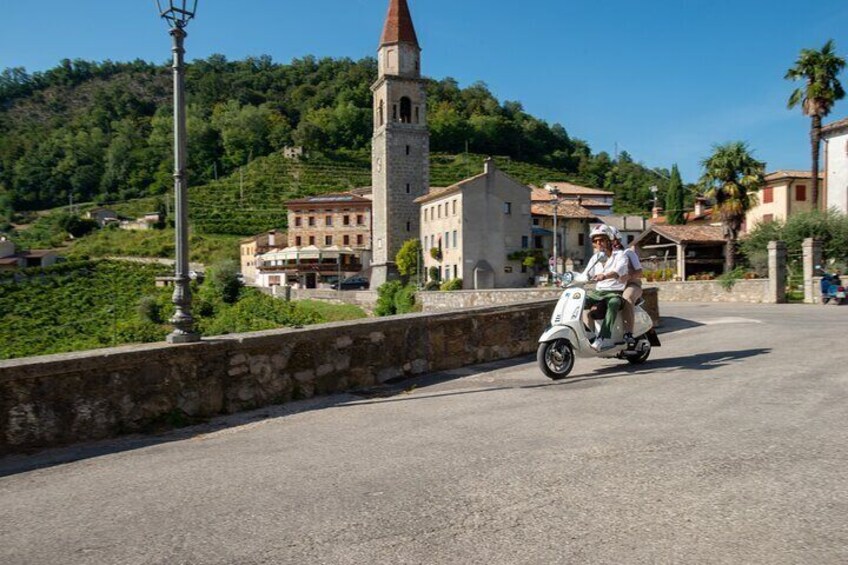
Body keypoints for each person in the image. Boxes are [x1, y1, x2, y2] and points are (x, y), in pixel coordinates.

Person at [581, 224, 628, 351]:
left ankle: (602, 338)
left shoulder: (620, 255)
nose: (598, 243)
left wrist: (605, 275)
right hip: (598, 292)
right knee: (579, 302)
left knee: (613, 303)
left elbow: (618, 271)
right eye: (595, 241)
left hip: (615, 292)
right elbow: (586, 274)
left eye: (601, 240)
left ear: (609, 240)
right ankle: (588, 332)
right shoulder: (595, 257)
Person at [610, 227, 643, 348]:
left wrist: (629, 276)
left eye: (611, 239)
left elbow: (640, 272)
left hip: (631, 285)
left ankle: (628, 333)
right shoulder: (603, 257)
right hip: (612, 288)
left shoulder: (628, 253)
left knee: (627, 298)